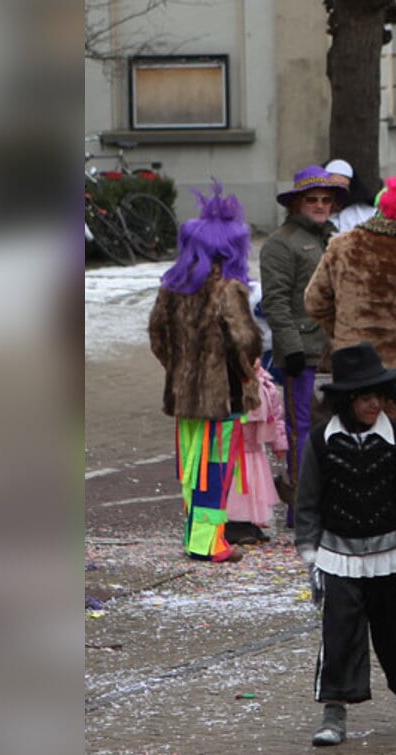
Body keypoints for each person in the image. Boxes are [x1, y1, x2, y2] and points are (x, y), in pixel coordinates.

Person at [296, 342, 396, 747]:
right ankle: (334, 712)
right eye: (364, 397)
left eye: (378, 395)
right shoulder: (322, 441)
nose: (373, 404)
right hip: (337, 557)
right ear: (346, 401)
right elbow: (307, 501)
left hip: (391, 556)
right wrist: (310, 556)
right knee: (338, 634)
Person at [148, 181, 262, 563]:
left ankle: (193, 534)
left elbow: (158, 337)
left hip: (184, 395)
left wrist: (179, 370)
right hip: (222, 394)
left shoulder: (172, 288)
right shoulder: (228, 289)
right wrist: (248, 370)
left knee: (191, 467)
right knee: (214, 467)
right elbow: (244, 339)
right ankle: (208, 542)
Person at [304, 171, 396, 430]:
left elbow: (314, 301)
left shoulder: (343, 245)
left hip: (352, 368)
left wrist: (344, 330)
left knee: (353, 444)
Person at [260, 165, 345, 525]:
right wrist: (291, 347)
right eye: (312, 199)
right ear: (296, 203)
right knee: (302, 428)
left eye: (326, 199)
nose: (320, 205)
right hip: (303, 352)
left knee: (339, 426)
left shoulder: (335, 237)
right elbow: (275, 302)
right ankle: (301, 508)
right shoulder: (281, 243)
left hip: (338, 349)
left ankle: (334, 500)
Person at [225, 359, 286, 545]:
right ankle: (234, 522)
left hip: (254, 448)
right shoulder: (229, 383)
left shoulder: (265, 384)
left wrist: (279, 443)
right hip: (233, 448)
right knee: (237, 486)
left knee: (253, 486)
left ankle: (249, 520)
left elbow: (276, 416)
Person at [324, 158, 379, 233]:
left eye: (343, 186)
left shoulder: (362, 214)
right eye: (332, 186)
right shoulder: (315, 212)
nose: (337, 191)